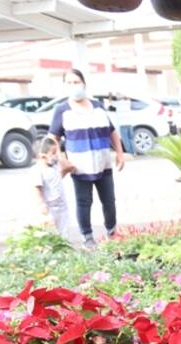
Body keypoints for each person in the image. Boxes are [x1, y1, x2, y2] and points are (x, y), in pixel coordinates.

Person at [46, 69, 125, 249]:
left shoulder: (98, 106)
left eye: (77, 82)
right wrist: (61, 159)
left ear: (84, 84)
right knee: (84, 202)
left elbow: (111, 131)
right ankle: (87, 237)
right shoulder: (62, 110)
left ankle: (112, 232)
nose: (74, 86)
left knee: (109, 200)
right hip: (79, 166)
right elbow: (52, 138)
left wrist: (119, 153)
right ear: (65, 86)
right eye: (70, 83)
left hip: (103, 163)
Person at [34, 136, 75, 240]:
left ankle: (64, 252)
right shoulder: (38, 170)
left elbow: (57, 179)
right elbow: (37, 188)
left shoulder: (54, 166)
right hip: (49, 208)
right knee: (50, 234)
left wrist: (60, 157)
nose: (56, 156)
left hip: (62, 206)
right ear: (42, 156)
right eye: (53, 153)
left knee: (64, 233)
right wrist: (42, 204)